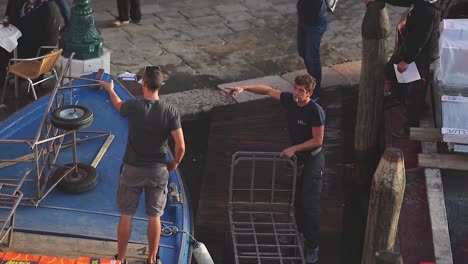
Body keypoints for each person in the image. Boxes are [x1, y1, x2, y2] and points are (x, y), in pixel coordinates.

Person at [227, 74, 325, 264]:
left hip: (313, 159)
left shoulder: (315, 111)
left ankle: (312, 246)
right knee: (295, 201)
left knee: (309, 205)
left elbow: (317, 140)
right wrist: (244, 88)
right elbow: (267, 90)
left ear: (310, 93)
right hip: (297, 159)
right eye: (295, 88)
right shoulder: (290, 100)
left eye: (301, 91)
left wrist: (293, 148)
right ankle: (295, 233)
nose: (296, 93)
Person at [99, 66, 185, 264]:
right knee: (155, 216)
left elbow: (117, 104)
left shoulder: (134, 106)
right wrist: (174, 163)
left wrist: (110, 88)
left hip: (133, 169)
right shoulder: (170, 111)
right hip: (158, 170)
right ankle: (152, 259)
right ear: (160, 85)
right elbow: (180, 145)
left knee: (126, 215)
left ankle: (120, 259)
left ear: (143, 84)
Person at [376, 0, 442, 136]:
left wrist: (406, 60)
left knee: (413, 90)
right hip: (416, 51)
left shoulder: (428, 11)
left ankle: (410, 125)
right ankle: (402, 100)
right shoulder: (424, 5)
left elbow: (419, 40)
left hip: (420, 55)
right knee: (392, 72)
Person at [1, 0, 65, 86]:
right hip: (41, 53)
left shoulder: (45, 11)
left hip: (34, 56)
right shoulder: (50, 7)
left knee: (3, 51)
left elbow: (25, 27)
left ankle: (3, 81)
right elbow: (11, 16)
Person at [296, 0, 328, 101]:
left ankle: (314, 91)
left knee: (312, 58)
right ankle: (311, 81)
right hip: (303, 18)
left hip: (315, 22)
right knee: (303, 52)